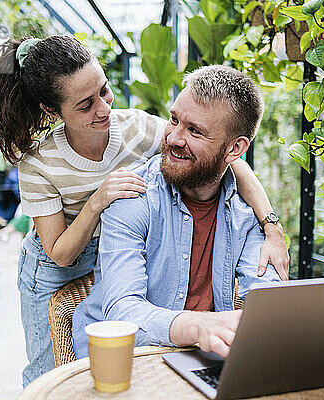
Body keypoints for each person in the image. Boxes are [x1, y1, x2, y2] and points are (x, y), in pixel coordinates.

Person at [0, 35, 288, 387]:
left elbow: (232, 167)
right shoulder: (42, 164)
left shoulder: (135, 129)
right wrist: (99, 200)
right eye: (85, 105)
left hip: (108, 249)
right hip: (54, 259)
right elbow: (64, 255)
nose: (103, 109)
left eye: (105, 91)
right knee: (47, 374)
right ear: (53, 111)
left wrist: (271, 225)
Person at [73, 65, 282, 359]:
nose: (173, 138)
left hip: (198, 358)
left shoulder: (246, 214)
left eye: (194, 130)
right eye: (174, 120)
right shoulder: (131, 196)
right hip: (125, 358)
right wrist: (199, 327)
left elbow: (265, 292)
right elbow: (122, 311)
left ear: (235, 149)